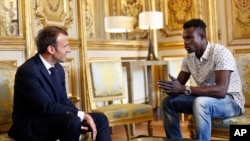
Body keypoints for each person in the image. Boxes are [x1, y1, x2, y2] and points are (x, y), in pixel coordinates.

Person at [8, 26, 112, 141]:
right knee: (73, 121)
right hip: (33, 125)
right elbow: (45, 106)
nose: (69, 50)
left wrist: (81, 114)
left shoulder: (58, 69)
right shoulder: (28, 71)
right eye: (65, 46)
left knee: (100, 119)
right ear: (51, 49)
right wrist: (81, 115)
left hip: (54, 118)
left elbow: (64, 101)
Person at [157, 19, 245, 141]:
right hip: (204, 99)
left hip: (231, 102)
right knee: (168, 101)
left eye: (189, 38)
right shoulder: (189, 58)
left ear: (202, 36)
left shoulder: (221, 53)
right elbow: (180, 85)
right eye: (184, 38)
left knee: (201, 103)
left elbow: (221, 91)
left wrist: (183, 89)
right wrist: (172, 88)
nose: (185, 42)